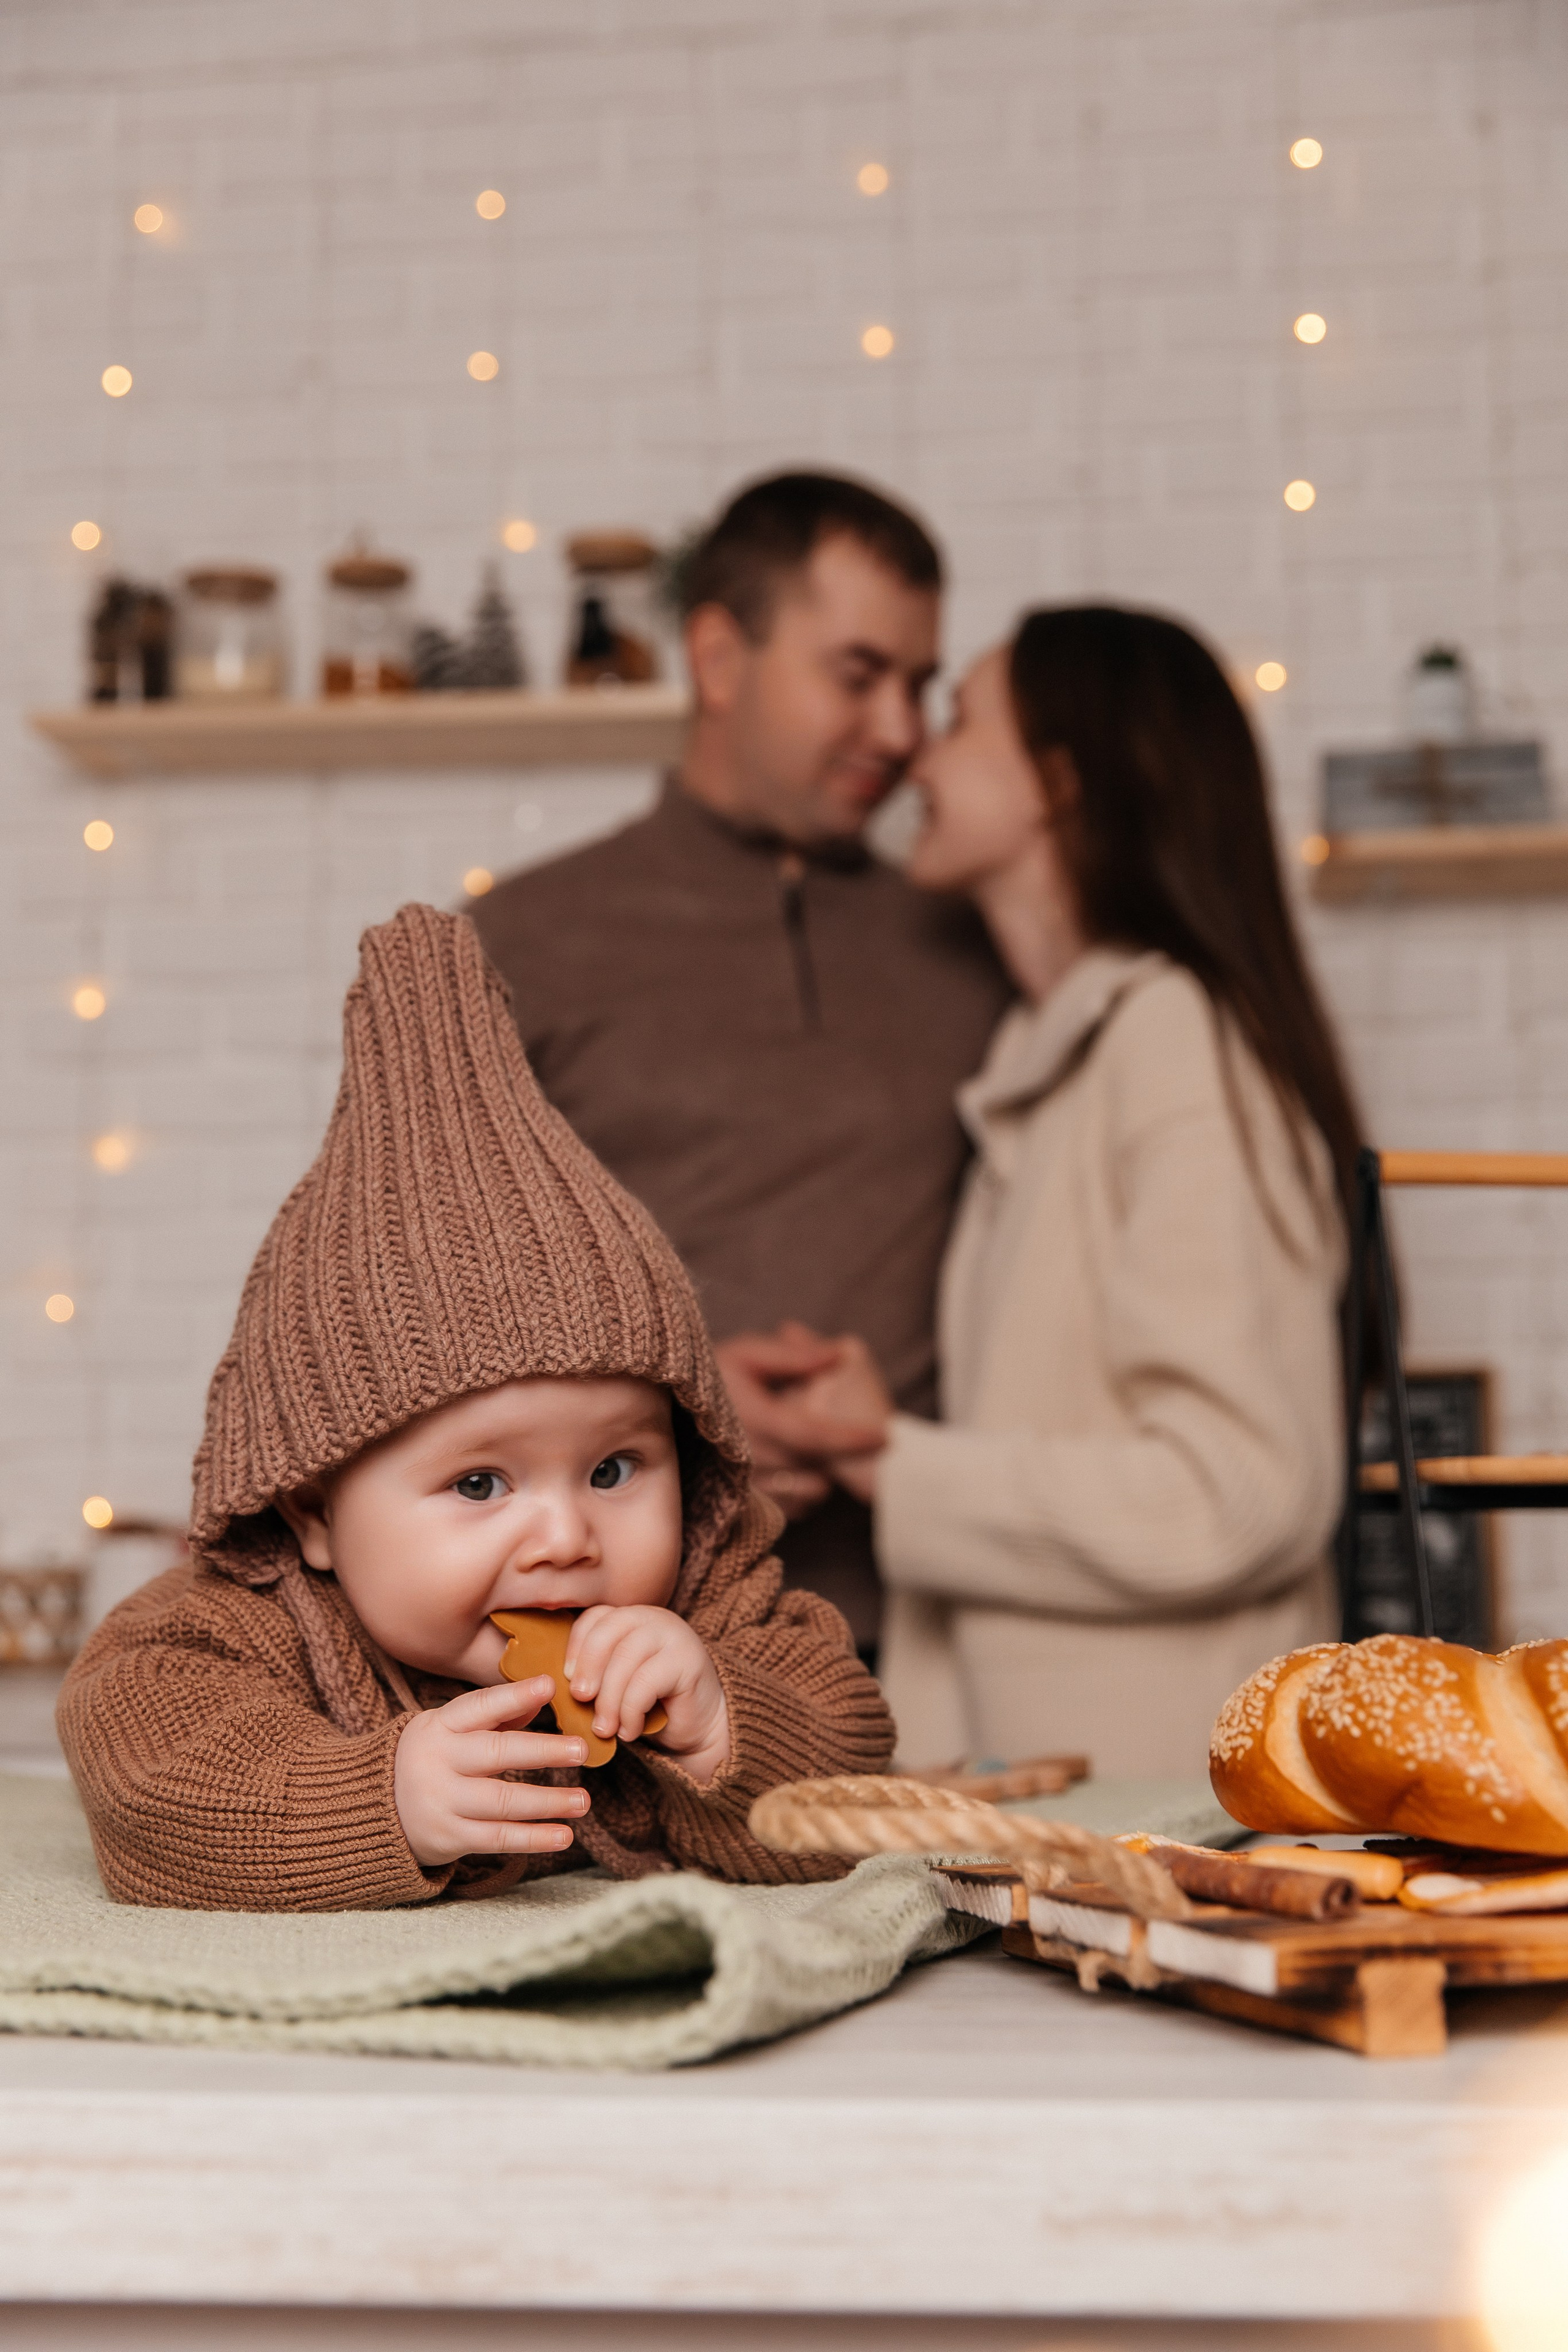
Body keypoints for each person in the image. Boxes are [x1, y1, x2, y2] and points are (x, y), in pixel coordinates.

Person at [56, 906, 893, 1910]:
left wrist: (724, 1721)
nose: (566, 1537)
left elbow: (859, 1786)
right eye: (481, 1482)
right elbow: (147, 1789)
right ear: (314, 1512)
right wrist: (380, 1800)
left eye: (614, 1470)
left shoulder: (709, 1604)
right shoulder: (236, 1631)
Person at [769, 606, 1364, 1779]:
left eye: (960, 722)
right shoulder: (1064, 1052)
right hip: (1068, 1807)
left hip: (1171, 1814)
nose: (918, 760)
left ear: (1055, 781)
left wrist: (900, 1467)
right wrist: (877, 1438)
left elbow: (1239, 1492)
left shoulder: (1175, 1041)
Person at [472, 474, 1011, 1657]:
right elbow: (424, 1306)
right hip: (610, 1650)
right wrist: (681, 1413)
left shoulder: (975, 938)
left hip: (947, 1647)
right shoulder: (521, 940)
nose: (902, 731)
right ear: (718, 657)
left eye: (921, 685)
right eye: (858, 675)